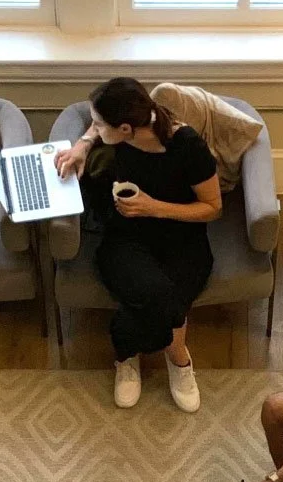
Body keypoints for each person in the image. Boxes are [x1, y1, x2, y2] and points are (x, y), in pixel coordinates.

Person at [54, 77, 223, 413]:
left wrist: (153, 207)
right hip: (126, 236)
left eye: (101, 126)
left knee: (166, 297)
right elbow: (92, 126)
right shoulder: (120, 133)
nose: (96, 129)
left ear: (126, 129)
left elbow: (213, 208)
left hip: (182, 235)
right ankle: (158, 356)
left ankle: (144, 354)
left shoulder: (187, 146)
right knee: (163, 298)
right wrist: (83, 144)